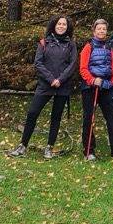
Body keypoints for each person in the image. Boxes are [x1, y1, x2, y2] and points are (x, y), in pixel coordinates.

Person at [9, 15, 78, 158]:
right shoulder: (44, 42)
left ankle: (49, 147)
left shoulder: (71, 44)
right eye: (59, 24)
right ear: (54, 25)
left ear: (67, 27)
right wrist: (51, 79)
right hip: (45, 85)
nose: (61, 26)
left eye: (64, 24)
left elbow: (72, 65)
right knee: (32, 113)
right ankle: (23, 145)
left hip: (63, 86)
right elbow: (38, 63)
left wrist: (60, 79)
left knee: (56, 117)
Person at [78, 19, 113, 161]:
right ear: (94, 30)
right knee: (89, 118)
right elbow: (83, 68)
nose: (101, 31)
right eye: (99, 29)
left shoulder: (108, 47)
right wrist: (92, 80)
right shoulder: (88, 47)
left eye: (104, 29)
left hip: (107, 86)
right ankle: (89, 151)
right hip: (90, 87)